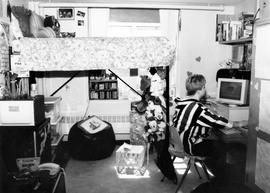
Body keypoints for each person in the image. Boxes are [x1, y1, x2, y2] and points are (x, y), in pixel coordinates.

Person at [172, 74, 233, 158]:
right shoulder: (197, 108)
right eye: (204, 87)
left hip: (179, 143)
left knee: (213, 139)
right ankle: (215, 169)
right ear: (199, 91)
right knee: (225, 146)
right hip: (189, 146)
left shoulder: (182, 103)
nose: (205, 89)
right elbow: (217, 122)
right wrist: (236, 124)